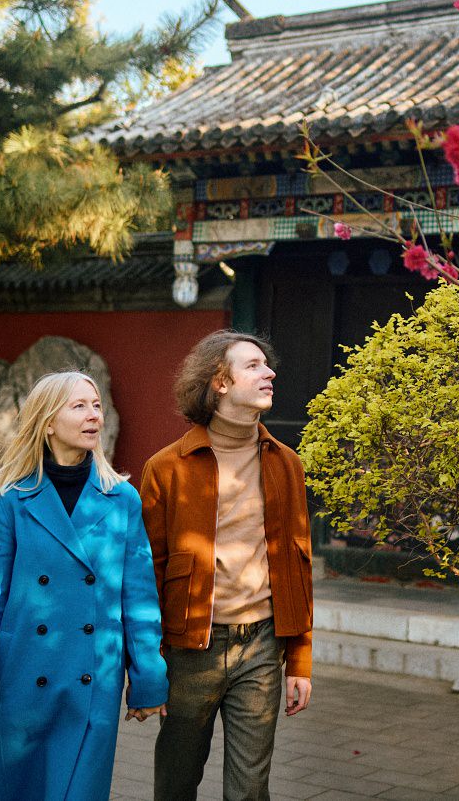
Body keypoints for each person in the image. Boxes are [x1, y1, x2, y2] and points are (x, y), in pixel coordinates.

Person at [0, 371, 168, 801]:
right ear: (47, 422)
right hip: (23, 681)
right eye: (78, 406)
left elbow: (138, 598)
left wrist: (149, 677)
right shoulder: (13, 501)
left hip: (91, 684)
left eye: (97, 405)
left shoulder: (122, 499)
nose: (93, 415)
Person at [141, 330, 314, 801]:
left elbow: (299, 565)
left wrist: (299, 659)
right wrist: (148, 664)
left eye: (266, 363)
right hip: (191, 645)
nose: (269, 372)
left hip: (261, 643)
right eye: (253, 365)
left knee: (250, 789)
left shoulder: (286, 464)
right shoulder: (167, 467)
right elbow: (148, 573)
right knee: (176, 781)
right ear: (219, 381)